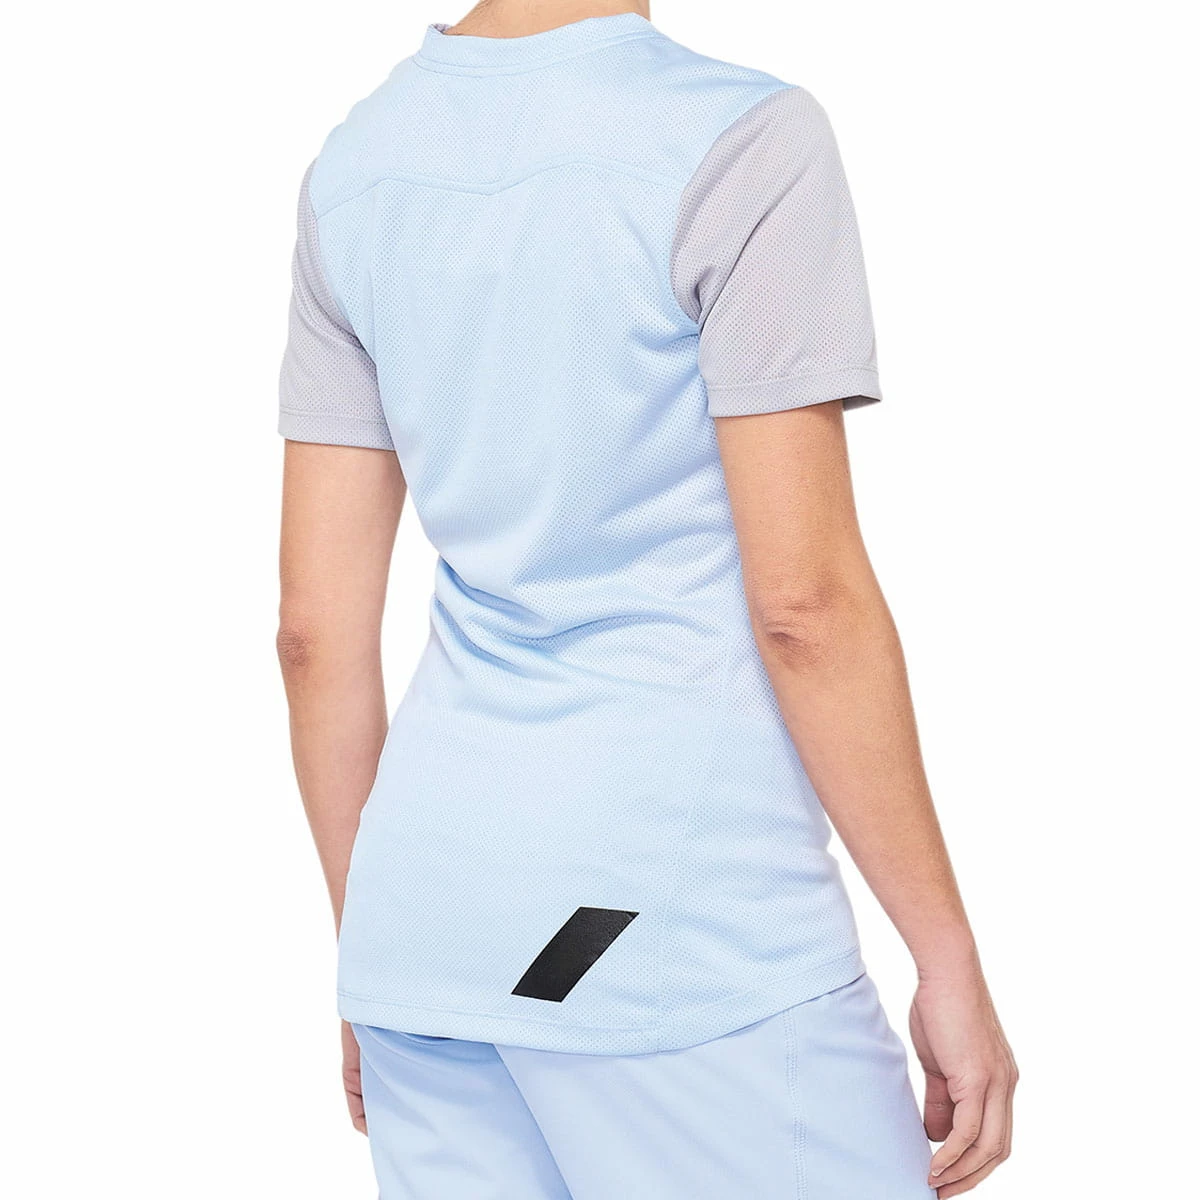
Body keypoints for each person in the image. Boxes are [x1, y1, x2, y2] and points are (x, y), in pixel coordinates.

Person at [276, 2, 1016, 1196]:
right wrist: (946, 956)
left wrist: (378, 951)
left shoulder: (355, 168)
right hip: (663, 920)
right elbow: (806, 605)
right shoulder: (739, 139)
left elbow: (311, 636)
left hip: (422, 921)